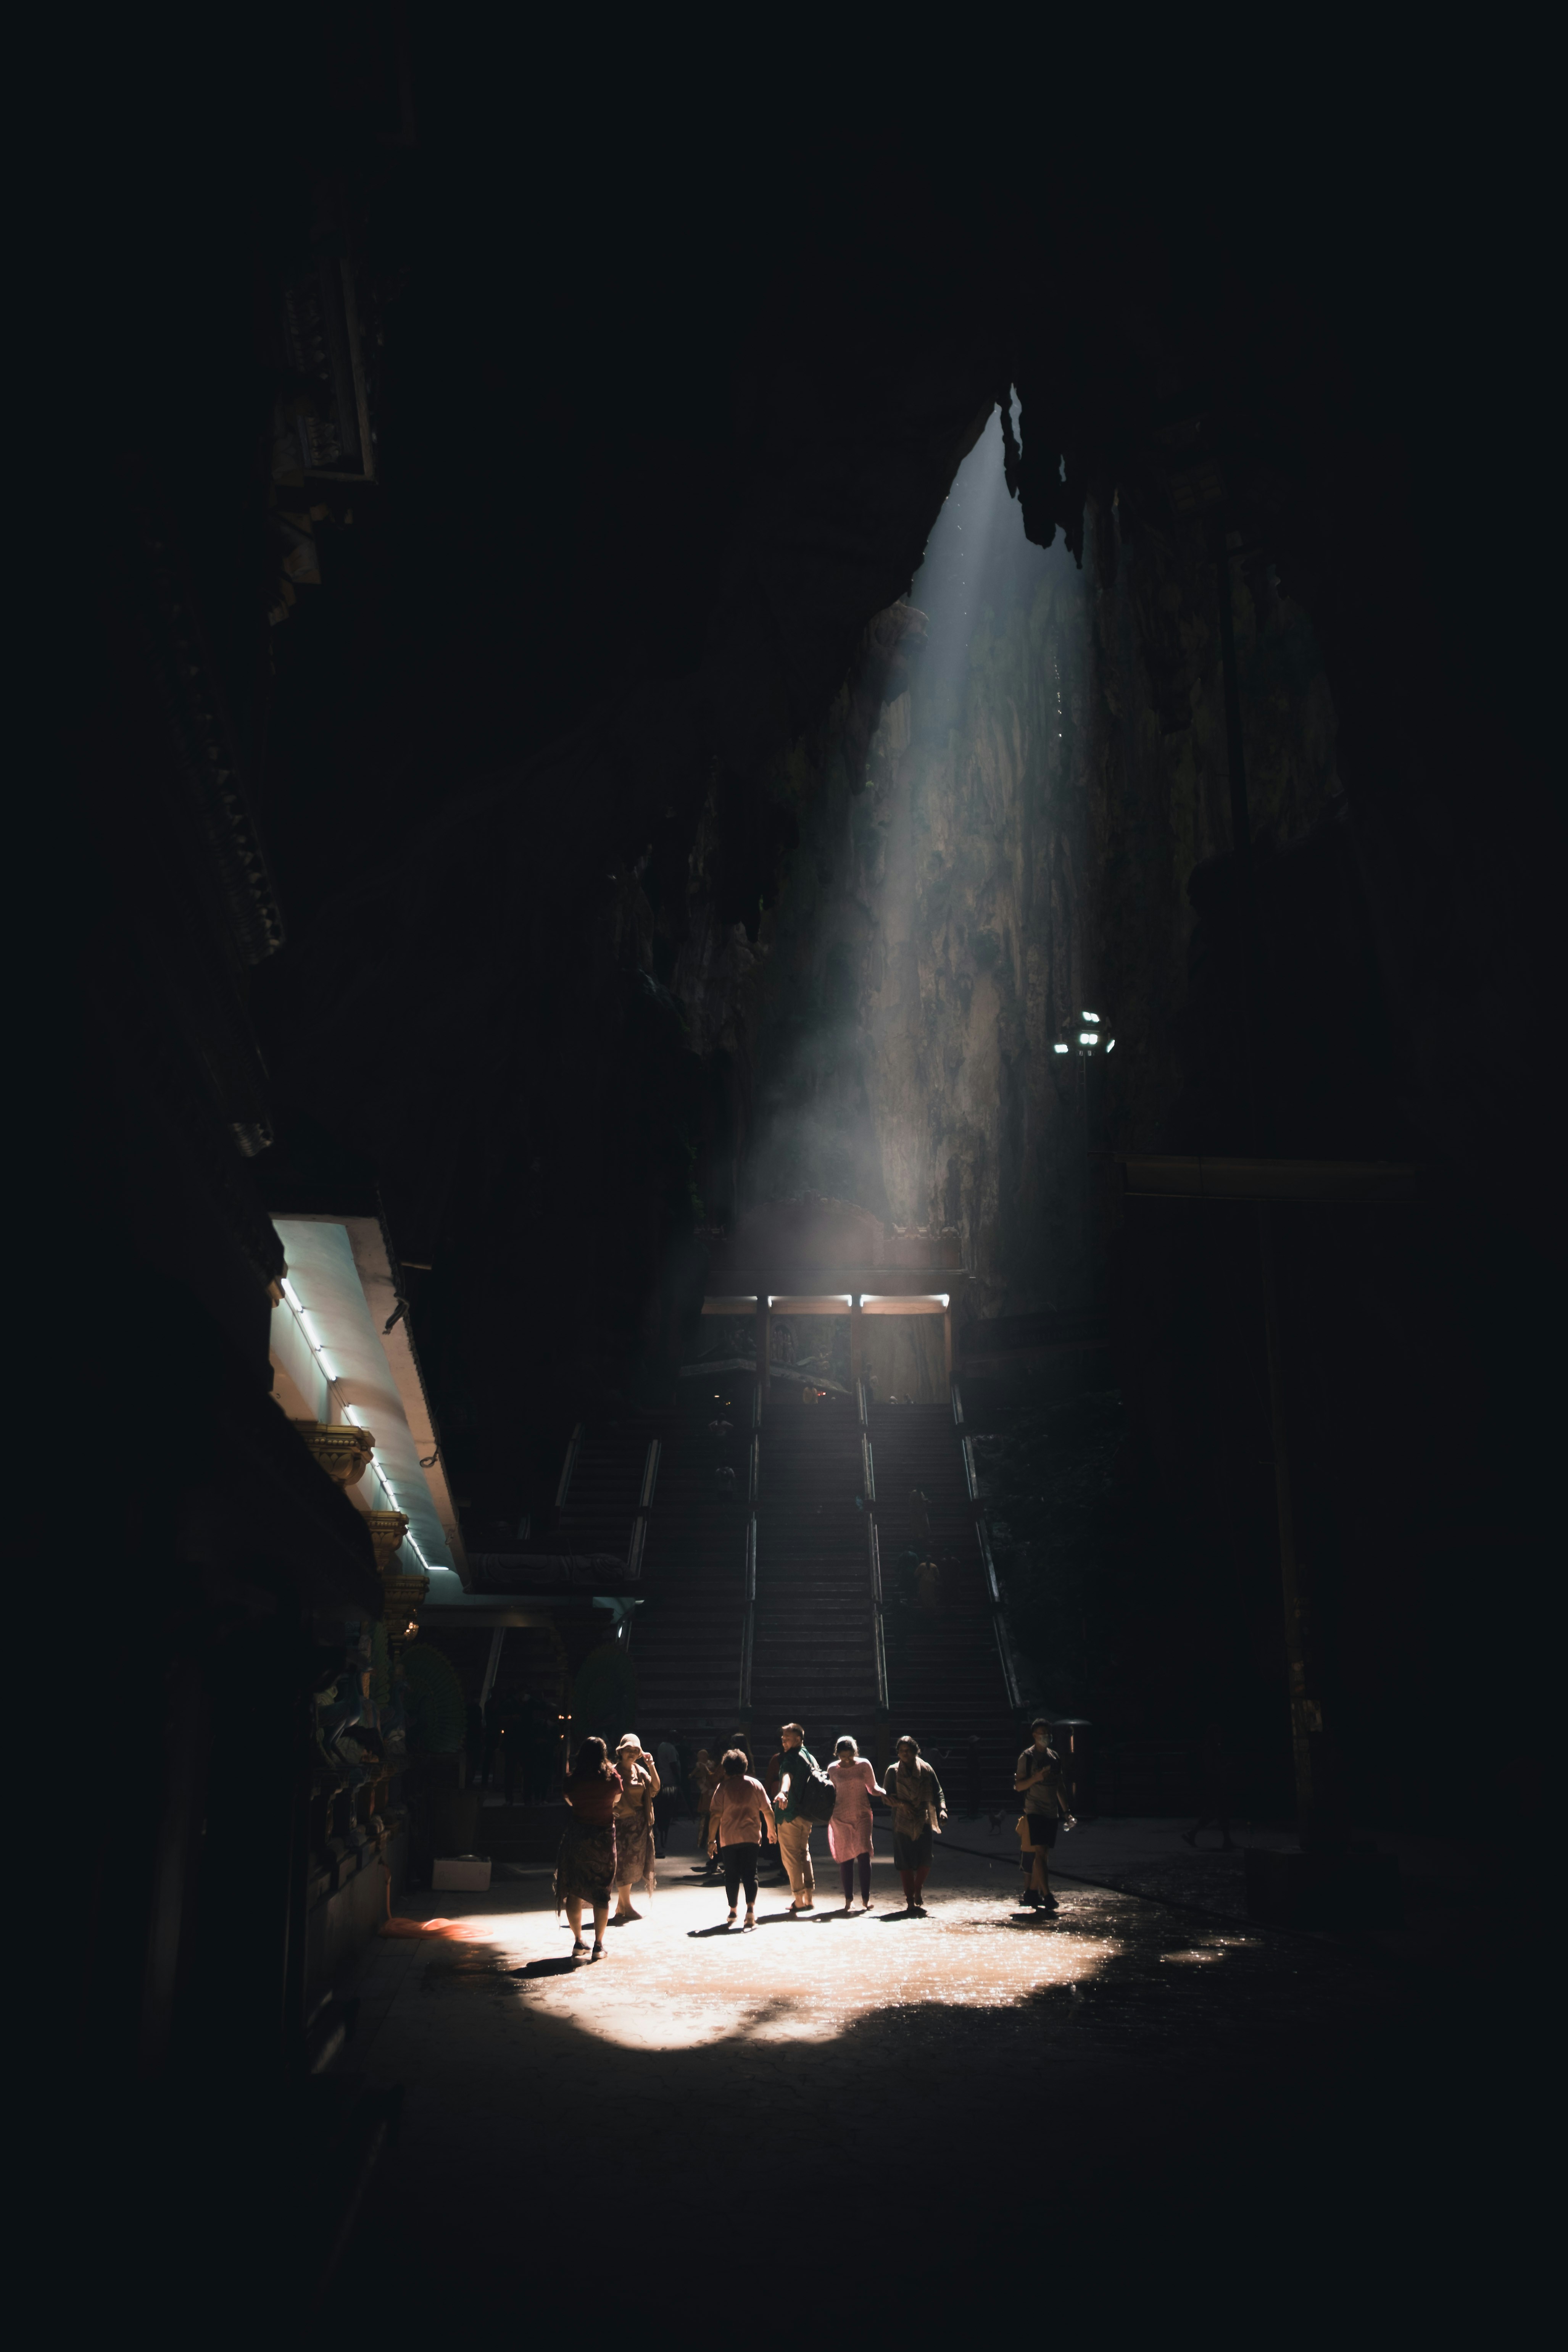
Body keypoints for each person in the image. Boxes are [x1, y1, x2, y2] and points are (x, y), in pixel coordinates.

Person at [556, 1735, 622, 1959]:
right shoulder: (612, 1778)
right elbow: (618, 1800)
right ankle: (598, 1946)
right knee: (601, 1892)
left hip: (578, 1837)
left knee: (574, 1890)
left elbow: (570, 1802)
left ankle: (578, 1942)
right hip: (603, 1838)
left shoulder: (572, 1779)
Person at [706, 1746, 778, 1927]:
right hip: (752, 1837)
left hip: (729, 1839)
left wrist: (711, 1840)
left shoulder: (722, 1788)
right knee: (750, 1873)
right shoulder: (755, 1785)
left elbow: (715, 1815)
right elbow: (768, 1811)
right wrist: (771, 1831)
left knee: (731, 1874)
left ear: (726, 1768)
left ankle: (732, 1912)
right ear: (745, 1766)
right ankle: (751, 1910)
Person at [1014, 1717, 1076, 1912]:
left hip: (1051, 1811)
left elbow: (1060, 1786)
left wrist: (1066, 1812)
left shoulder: (1054, 1758)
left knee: (1045, 1854)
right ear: (1034, 1735)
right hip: (1034, 1810)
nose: (1046, 1738)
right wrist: (1036, 1778)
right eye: (1042, 1734)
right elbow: (1019, 1786)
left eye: (1048, 1734)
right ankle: (1047, 1895)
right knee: (1040, 1852)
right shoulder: (1027, 1757)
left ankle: (1032, 1892)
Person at [883, 1735, 947, 1912]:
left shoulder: (926, 1769)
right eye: (902, 1751)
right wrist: (902, 1805)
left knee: (926, 1859)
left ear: (916, 1751)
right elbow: (886, 1798)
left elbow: (938, 1791)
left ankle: (918, 1887)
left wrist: (942, 1809)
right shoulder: (893, 1771)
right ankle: (910, 1899)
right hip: (901, 1822)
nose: (906, 1754)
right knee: (905, 1862)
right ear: (898, 1753)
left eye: (909, 1750)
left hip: (924, 1819)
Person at [827, 1735, 881, 1910]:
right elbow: (830, 1794)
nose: (847, 1760)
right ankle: (849, 1899)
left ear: (855, 1753)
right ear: (838, 1755)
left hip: (862, 1814)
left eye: (850, 1756)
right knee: (847, 1858)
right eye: (843, 1757)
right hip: (840, 1817)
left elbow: (873, 1788)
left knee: (864, 1855)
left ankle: (866, 1899)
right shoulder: (832, 1769)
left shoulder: (864, 1765)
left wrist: (885, 1793)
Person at [773, 1722, 822, 1912]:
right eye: (783, 1737)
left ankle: (799, 1900)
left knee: (791, 1858)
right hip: (806, 1815)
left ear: (799, 1739)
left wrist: (784, 1793)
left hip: (790, 1814)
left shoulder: (791, 1757)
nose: (783, 1740)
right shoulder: (809, 1755)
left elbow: (787, 1775)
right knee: (804, 1854)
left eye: (788, 1738)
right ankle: (809, 1898)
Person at [611, 1733, 658, 1922]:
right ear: (621, 1752)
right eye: (628, 1750)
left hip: (639, 1824)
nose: (631, 1753)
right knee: (623, 1864)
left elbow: (655, 1788)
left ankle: (622, 1906)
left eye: (635, 1750)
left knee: (633, 1865)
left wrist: (651, 1765)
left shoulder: (640, 1771)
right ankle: (627, 1906)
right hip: (620, 1823)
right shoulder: (614, 1772)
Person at [1183, 1721, 1236, 1850]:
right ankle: (1226, 1840)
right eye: (1218, 1734)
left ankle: (1193, 1834)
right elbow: (1210, 1770)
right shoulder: (1210, 1750)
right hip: (1214, 1785)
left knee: (1214, 1812)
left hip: (1216, 1784)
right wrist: (1225, 1768)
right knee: (1220, 1812)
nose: (1221, 1736)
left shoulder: (1214, 1748)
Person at [690, 1747, 720, 1877]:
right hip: (708, 1799)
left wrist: (706, 1772)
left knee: (713, 1832)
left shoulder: (713, 1767)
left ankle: (715, 1860)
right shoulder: (705, 1767)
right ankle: (713, 1859)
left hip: (712, 1799)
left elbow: (713, 1779)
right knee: (708, 1831)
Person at [654, 1735, 681, 1856]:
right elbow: (673, 1764)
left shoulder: (662, 1746)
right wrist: (678, 1778)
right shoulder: (670, 1748)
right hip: (670, 1781)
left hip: (663, 1778)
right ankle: (665, 1827)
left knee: (664, 1808)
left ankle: (663, 1830)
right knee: (667, 1808)